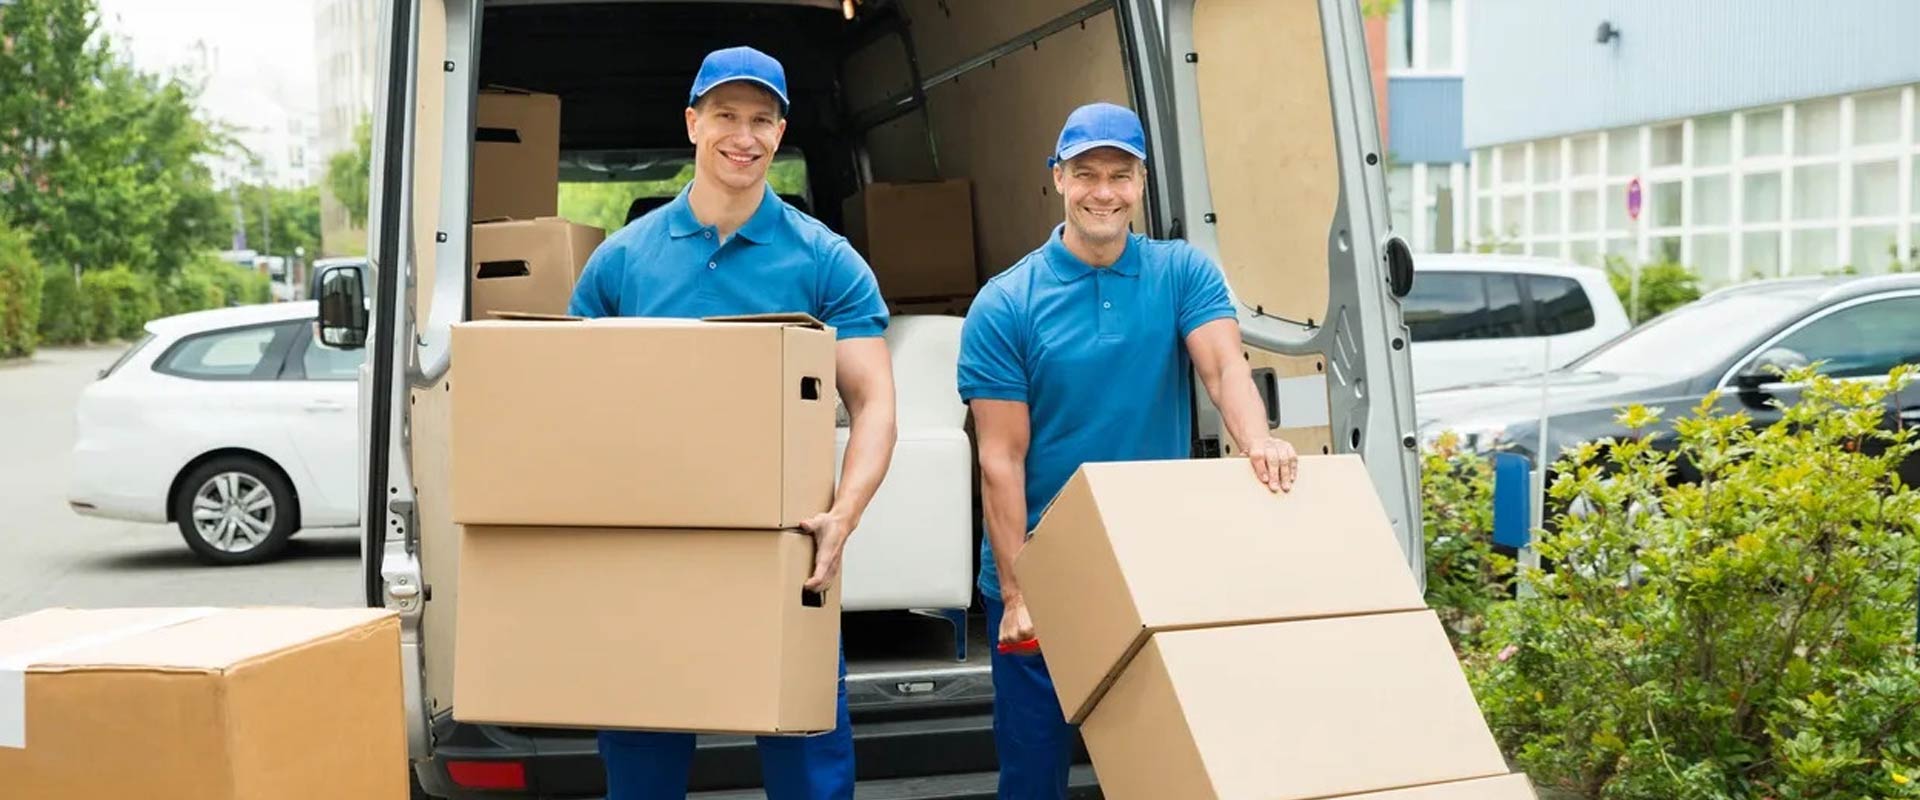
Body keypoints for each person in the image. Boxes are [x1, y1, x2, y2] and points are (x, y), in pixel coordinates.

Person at [568, 45, 897, 800]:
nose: (742, 136)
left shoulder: (826, 261)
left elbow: (876, 401)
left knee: (809, 775)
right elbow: (574, 407)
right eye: (725, 115)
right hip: (650, 551)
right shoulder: (620, 264)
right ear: (692, 123)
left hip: (785, 550)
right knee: (642, 772)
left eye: (760, 119)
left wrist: (843, 515)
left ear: (781, 134)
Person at [956, 102, 1300, 798]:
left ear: (1141, 184)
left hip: (1156, 557)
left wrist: (1257, 441)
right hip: (1044, 567)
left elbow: (1223, 367)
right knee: (1033, 773)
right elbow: (1001, 458)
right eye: (1086, 174)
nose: (1103, 191)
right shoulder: (1006, 303)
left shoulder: (1182, 273)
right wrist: (1021, 590)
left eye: (1120, 175)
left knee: (1167, 762)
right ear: (1057, 178)